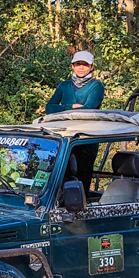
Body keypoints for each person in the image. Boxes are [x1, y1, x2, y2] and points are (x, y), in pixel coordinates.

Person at [45, 50, 105, 192]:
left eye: (85, 65)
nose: (81, 68)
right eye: (78, 64)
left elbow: (88, 109)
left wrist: (61, 110)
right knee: (61, 174)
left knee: (83, 175)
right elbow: (49, 108)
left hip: (85, 137)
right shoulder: (64, 85)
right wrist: (70, 107)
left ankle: (81, 207)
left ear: (91, 67)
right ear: (72, 66)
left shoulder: (97, 86)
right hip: (63, 136)